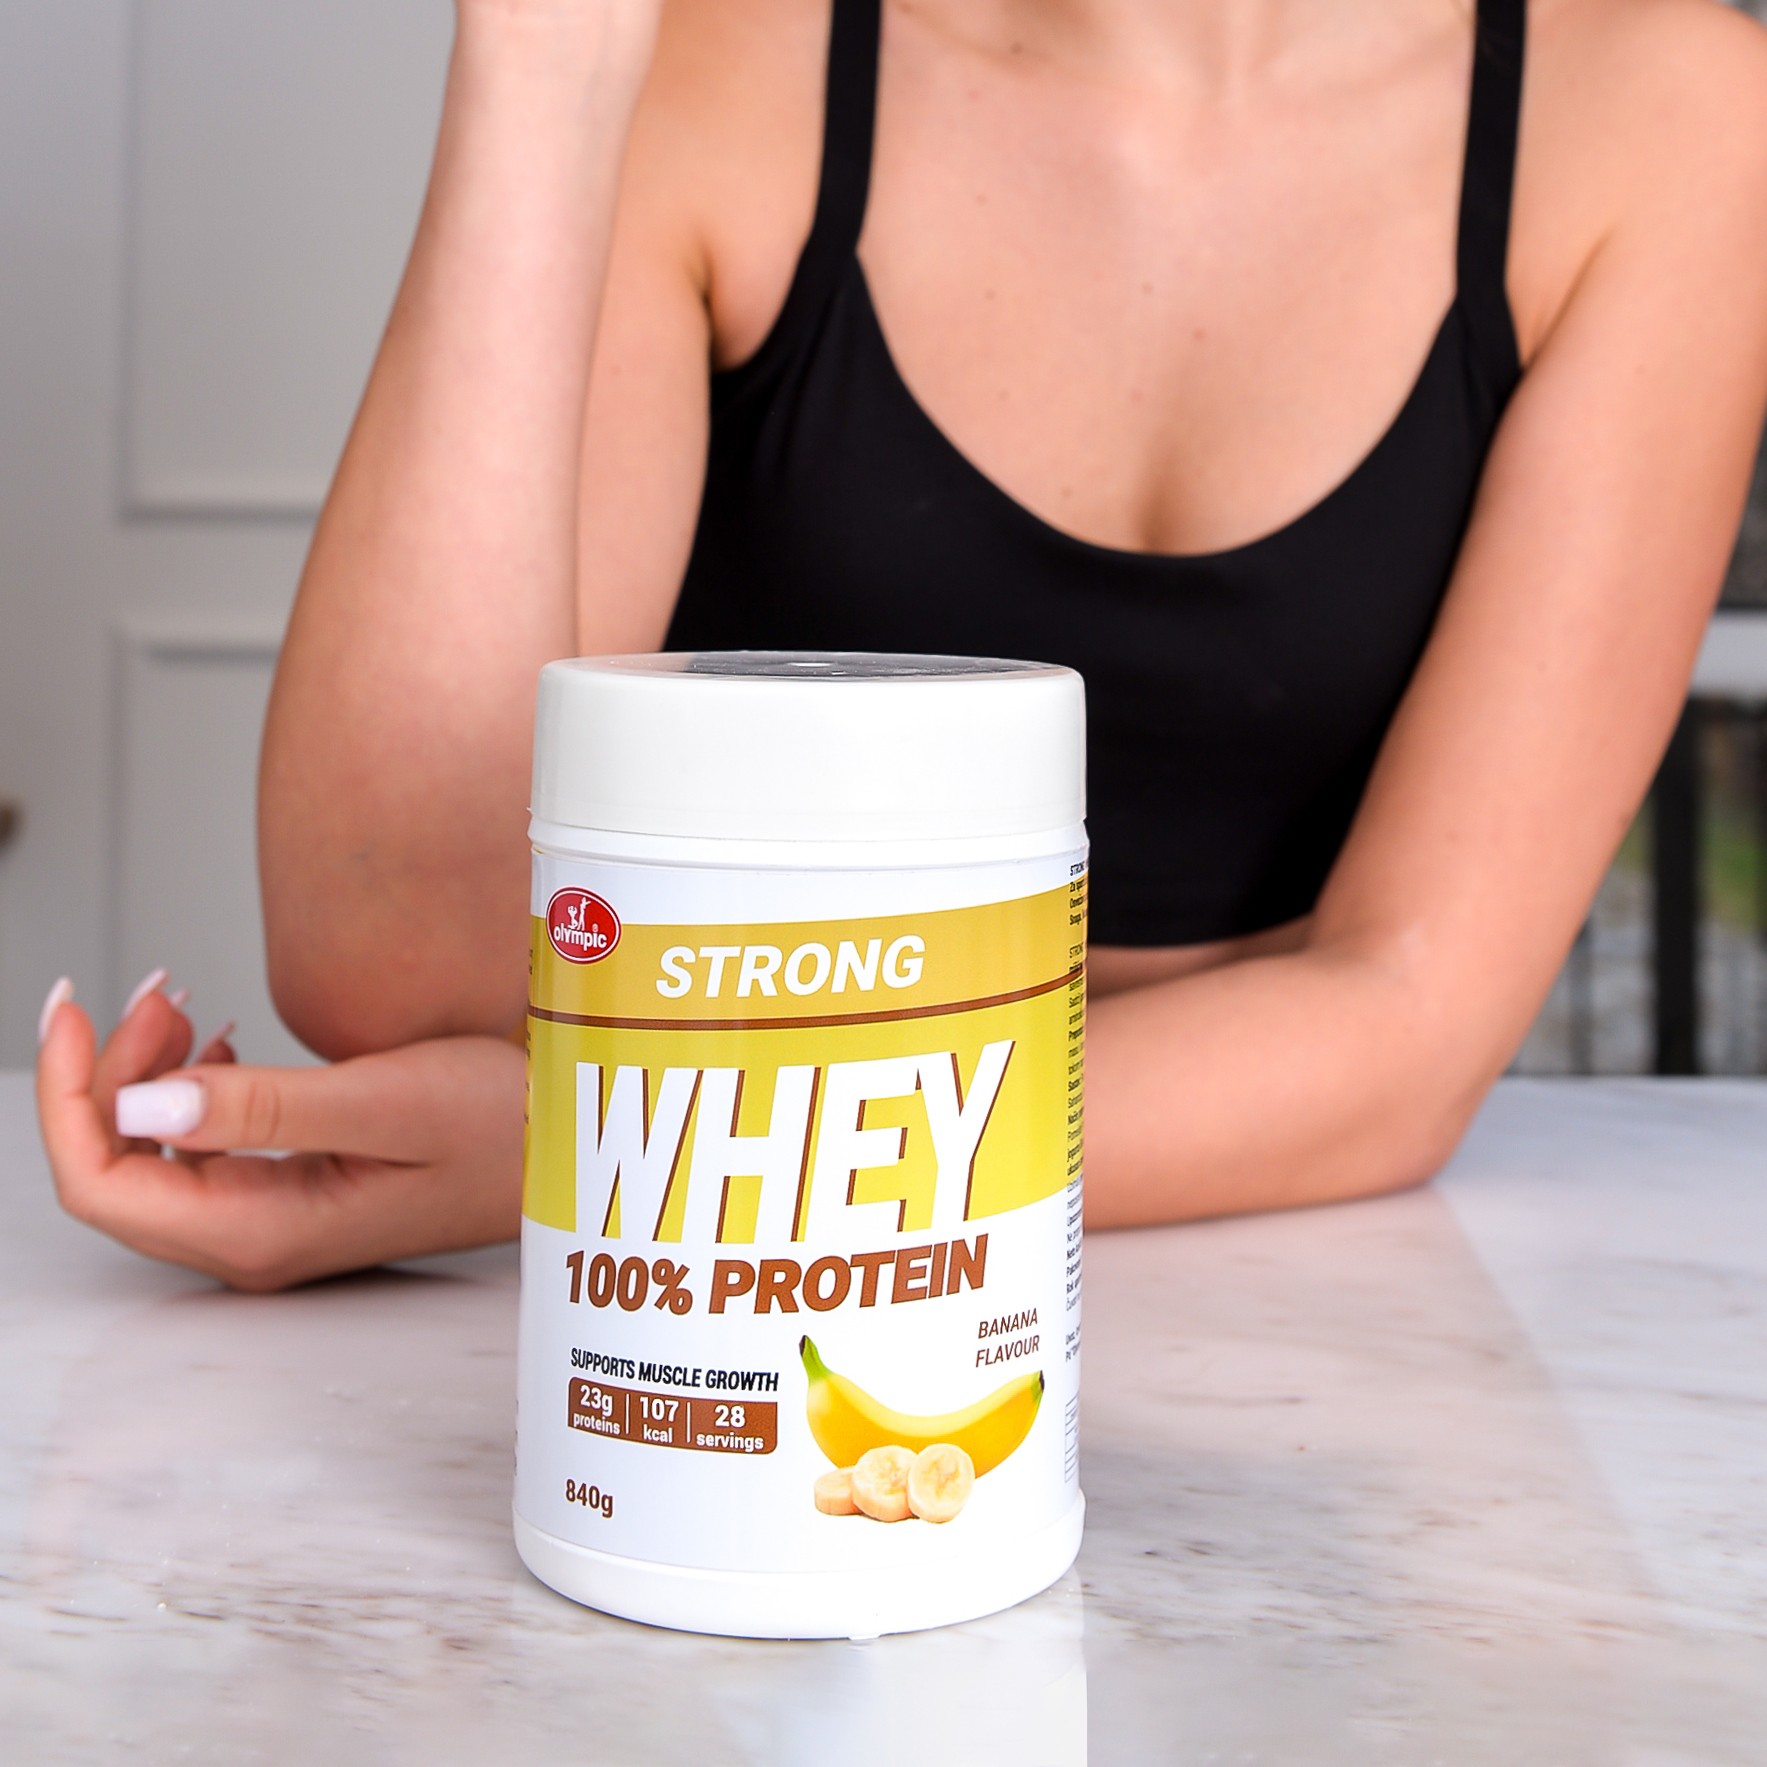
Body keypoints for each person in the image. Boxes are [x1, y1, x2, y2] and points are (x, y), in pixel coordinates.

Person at [34, 0, 1767, 1289]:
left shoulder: (1669, 117)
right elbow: (395, 965)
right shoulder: (726, 55)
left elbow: (1403, 1028)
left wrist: (637, 1147)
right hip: (711, 1318)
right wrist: (541, 65)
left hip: (1293, 1300)